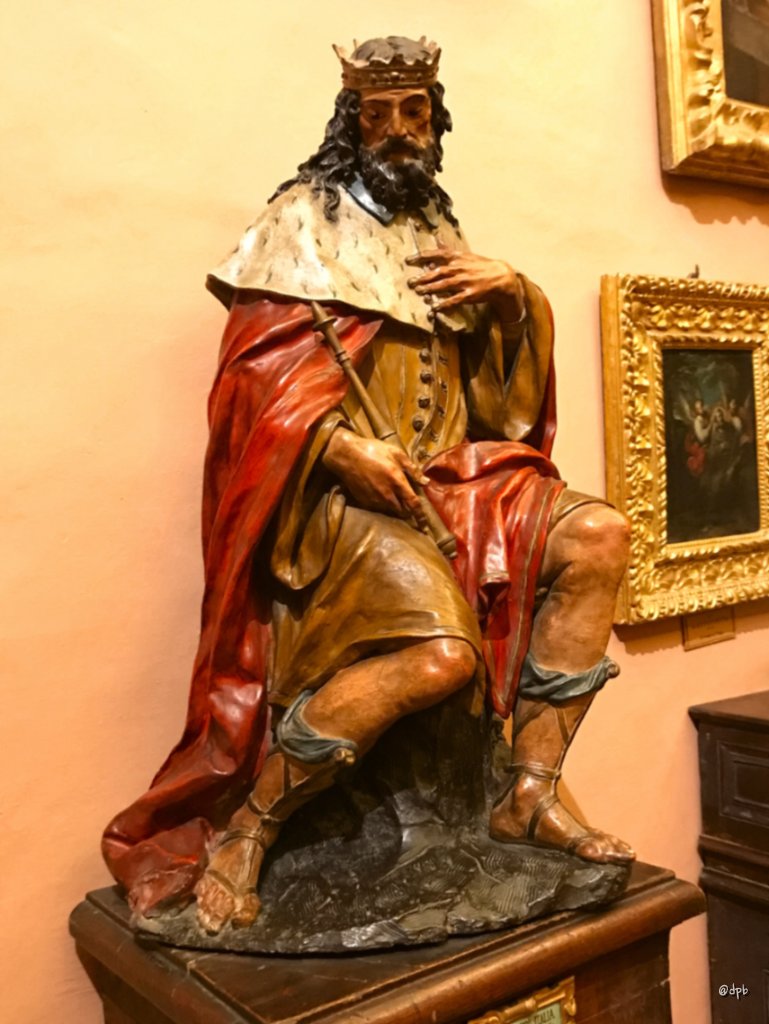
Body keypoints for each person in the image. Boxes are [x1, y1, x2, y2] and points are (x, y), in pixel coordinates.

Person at [103, 36, 634, 936]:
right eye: (376, 114)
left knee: (598, 536)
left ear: (435, 118)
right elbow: (249, 393)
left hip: (451, 479)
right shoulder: (297, 228)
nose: (397, 131)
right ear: (349, 120)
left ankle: (529, 793)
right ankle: (251, 826)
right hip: (342, 502)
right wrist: (337, 447)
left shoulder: (439, 230)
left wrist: (514, 298)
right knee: (440, 660)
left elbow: (497, 415)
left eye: (413, 112)